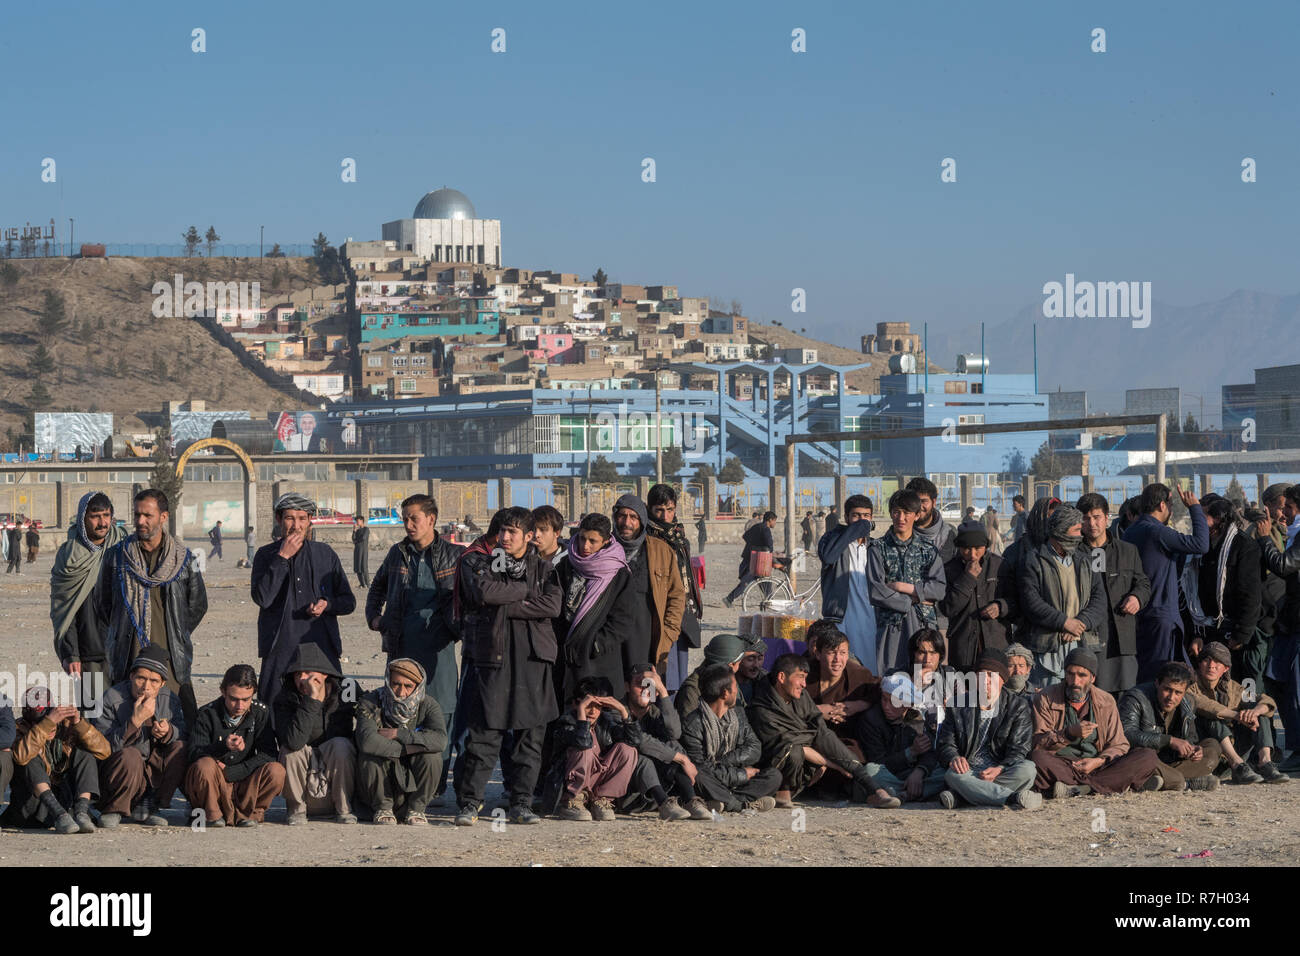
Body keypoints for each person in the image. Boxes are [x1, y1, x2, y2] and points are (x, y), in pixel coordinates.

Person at [453, 507, 562, 826]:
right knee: (485, 734)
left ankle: (522, 802)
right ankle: (470, 803)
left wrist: (509, 604)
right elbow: (485, 591)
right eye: (502, 531)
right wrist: (526, 594)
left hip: (533, 660)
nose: (504, 537)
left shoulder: (544, 569)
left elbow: (553, 605)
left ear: (529, 537)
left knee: (529, 736)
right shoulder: (483, 563)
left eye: (512, 532)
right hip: (494, 659)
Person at [366, 494, 462, 794]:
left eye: (414, 518)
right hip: (402, 645)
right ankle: (405, 783)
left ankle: (434, 787)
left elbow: (466, 597)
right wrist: (374, 617)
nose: (408, 524)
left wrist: (458, 627)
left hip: (439, 648)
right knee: (400, 710)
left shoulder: (453, 555)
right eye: (404, 519)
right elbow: (377, 586)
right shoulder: (397, 554)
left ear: (431, 520)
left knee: (441, 711)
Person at [99, 489, 207, 728]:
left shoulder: (185, 560)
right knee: (127, 723)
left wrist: (176, 631)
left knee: (178, 726)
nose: (140, 521)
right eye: (137, 515)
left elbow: (198, 605)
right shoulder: (116, 558)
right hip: (129, 655)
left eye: (147, 515)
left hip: (171, 658)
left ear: (164, 517)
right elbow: (103, 604)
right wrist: (122, 630)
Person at [746, 654, 900, 808]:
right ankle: (782, 793)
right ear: (781, 677)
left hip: (805, 752)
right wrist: (834, 764)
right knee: (793, 751)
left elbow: (820, 730)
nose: (804, 684)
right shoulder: (761, 709)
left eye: (806, 678)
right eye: (800, 677)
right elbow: (790, 742)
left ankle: (875, 790)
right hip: (774, 767)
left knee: (830, 740)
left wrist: (848, 763)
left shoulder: (800, 697)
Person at [251, 493, 356, 716]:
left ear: (310, 520)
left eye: (301, 518)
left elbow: (349, 602)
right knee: (271, 714)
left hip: (321, 648)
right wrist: (282, 557)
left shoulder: (325, 555)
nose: (296, 526)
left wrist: (327, 604)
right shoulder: (265, 555)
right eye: (289, 518)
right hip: (279, 648)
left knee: (328, 712)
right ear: (279, 520)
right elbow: (263, 598)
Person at [1028, 648, 1161, 798]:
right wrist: (1068, 733)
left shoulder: (1106, 701)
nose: (1075, 681)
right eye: (1071, 674)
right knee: (1038, 758)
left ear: (1092, 678)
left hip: (1099, 765)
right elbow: (1038, 743)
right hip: (1063, 764)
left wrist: (1098, 761)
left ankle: (1080, 788)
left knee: (1147, 756)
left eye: (1082, 675)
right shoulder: (1045, 697)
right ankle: (1104, 786)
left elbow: (1119, 744)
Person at [1122, 483, 1209, 682]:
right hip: (1160, 615)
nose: (1171, 509)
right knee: (1161, 678)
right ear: (1162, 505)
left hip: (1142, 614)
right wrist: (1194, 507)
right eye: (1171, 504)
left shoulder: (1131, 531)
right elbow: (1201, 544)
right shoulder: (1157, 532)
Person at [93, 647, 188, 828]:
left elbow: (184, 733)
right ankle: (115, 808)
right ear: (131, 677)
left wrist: (169, 732)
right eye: (141, 678)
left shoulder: (170, 699)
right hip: (118, 773)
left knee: (180, 748)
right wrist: (134, 723)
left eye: (154, 681)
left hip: (151, 773)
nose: (146, 687)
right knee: (131, 755)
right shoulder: (110, 699)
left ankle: (151, 806)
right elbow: (99, 747)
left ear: (162, 684)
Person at [936, 649, 1042, 810]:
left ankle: (964, 796)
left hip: (1000, 770)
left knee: (1028, 770)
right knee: (952, 775)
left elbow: (1020, 749)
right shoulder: (957, 704)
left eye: (992, 675)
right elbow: (945, 743)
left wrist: (1000, 769)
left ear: (1002, 679)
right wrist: (954, 758)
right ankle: (1011, 798)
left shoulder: (1017, 706)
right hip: (968, 771)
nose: (985, 680)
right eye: (981, 674)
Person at [184, 664, 286, 828]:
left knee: (276, 770)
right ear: (223, 691)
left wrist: (233, 772)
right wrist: (222, 746)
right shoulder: (207, 714)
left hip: (245, 781)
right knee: (204, 765)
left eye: (246, 699)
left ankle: (250, 814)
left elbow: (269, 753)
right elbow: (194, 753)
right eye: (233, 699)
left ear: (253, 694)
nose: (240, 706)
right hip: (215, 782)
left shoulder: (260, 713)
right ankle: (212, 814)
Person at [1018, 505, 1108, 687]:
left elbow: (1099, 599)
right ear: (1061, 531)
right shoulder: (1034, 560)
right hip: (1048, 649)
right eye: (1076, 530)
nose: (1080, 535)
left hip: (1080, 644)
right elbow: (1031, 602)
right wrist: (1064, 623)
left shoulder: (1085, 560)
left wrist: (1079, 624)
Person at [50, 491, 124, 709]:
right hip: (89, 653)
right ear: (83, 518)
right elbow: (64, 610)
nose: (102, 522)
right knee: (94, 717)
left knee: (127, 715)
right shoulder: (69, 556)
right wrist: (70, 653)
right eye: (95, 516)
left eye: (106, 515)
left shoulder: (122, 546)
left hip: (123, 648)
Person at [2, 686, 109, 834]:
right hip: (34, 807)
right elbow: (20, 757)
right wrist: (47, 723)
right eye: (41, 722)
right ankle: (60, 815)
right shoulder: (18, 728)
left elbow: (104, 751)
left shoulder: (66, 724)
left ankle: (82, 813)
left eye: (52, 720)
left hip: (64, 798)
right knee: (29, 758)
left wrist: (80, 724)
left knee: (85, 755)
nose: (51, 727)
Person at [273, 643, 359, 824]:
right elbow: (294, 741)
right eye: (297, 674)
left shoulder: (346, 689)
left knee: (341, 745)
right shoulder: (285, 698)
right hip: (303, 778)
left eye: (308, 672)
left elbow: (367, 717)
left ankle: (344, 809)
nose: (302, 679)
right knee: (290, 751)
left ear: (325, 673)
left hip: (337, 776)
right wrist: (310, 701)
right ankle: (296, 811)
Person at [679, 663, 782, 813]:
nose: (737, 691)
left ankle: (723, 801)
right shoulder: (693, 725)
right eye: (735, 687)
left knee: (774, 776)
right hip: (713, 780)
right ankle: (741, 805)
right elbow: (702, 768)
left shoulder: (738, 714)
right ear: (725, 693)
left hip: (730, 777)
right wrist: (740, 775)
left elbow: (754, 748)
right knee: (699, 776)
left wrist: (725, 763)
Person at [355, 658, 447, 825]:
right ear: (388, 681)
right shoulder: (371, 701)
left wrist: (400, 734)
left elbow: (440, 741)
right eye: (396, 684)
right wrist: (411, 748)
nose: (401, 691)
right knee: (370, 756)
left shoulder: (428, 705)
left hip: (411, 778)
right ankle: (382, 808)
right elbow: (368, 741)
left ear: (418, 687)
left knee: (433, 757)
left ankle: (416, 809)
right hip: (379, 784)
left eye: (408, 686)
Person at [1076, 492, 1150, 694]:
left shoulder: (1127, 550)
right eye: (1086, 518)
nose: (1092, 523)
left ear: (1107, 517)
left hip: (1122, 635)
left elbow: (1143, 583)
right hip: (1088, 635)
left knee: (1126, 694)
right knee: (1091, 694)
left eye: (1097, 517)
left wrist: (1136, 597)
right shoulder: (1074, 554)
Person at [555, 513, 632, 705]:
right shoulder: (566, 565)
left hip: (599, 662)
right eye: (582, 538)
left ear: (606, 541)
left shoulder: (618, 573)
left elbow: (623, 620)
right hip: (567, 658)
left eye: (592, 541)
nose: (585, 546)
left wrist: (595, 645)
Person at [1181, 497, 1262, 678]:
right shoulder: (1199, 547)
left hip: (1231, 633)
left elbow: (1250, 595)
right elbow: (1192, 593)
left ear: (1217, 518)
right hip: (1204, 631)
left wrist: (1240, 635)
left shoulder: (1244, 546)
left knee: (1237, 688)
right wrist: (1196, 634)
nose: (1197, 522)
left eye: (1201, 516)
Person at [868, 489, 946, 675]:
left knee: (924, 677)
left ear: (917, 515)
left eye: (907, 513)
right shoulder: (878, 549)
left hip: (923, 624)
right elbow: (875, 590)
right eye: (896, 512)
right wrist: (911, 600)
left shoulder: (927, 550)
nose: (901, 518)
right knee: (891, 679)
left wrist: (904, 588)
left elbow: (939, 588)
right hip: (891, 624)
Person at [1188, 642, 1287, 784]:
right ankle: (1237, 765)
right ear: (1199, 663)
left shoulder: (1232, 687)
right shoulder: (1191, 683)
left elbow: (1265, 699)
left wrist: (1254, 712)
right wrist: (1237, 716)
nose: (1211, 666)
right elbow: (1204, 704)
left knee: (1258, 712)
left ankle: (1265, 763)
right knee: (1212, 717)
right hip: (1208, 754)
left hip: (1236, 748)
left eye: (1217, 662)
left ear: (1225, 668)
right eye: (1206, 660)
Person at [621, 663, 710, 819]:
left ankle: (691, 800)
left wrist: (662, 691)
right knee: (640, 755)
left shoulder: (654, 712)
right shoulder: (618, 711)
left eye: (649, 685)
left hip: (659, 789)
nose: (645, 690)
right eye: (639, 685)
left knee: (673, 744)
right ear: (627, 687)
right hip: (629, 794)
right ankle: (665, 804)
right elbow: (639, 741)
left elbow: (674, 732)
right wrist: (682, 759)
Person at [546, 678, 641, 821]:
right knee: (584, 749)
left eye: (597, 706)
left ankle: (602, 800)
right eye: (588, 705)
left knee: (628, 749)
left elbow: (634, 741)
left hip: (596, 779)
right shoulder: (566, 722)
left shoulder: (605, 722)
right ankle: (573, 802)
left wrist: (623, 710)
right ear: (575, 704)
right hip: (568, 785)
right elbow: (582, 742)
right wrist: (581, 716)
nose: (592, 711)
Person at [1119, 662, 1222, 792]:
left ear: (1184, 692)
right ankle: (1185, 783)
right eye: (1167, 689)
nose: (1171, 698)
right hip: (1146, 759)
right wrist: (1170, 741)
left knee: (1212, 747)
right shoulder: (1136, 698)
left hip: (1171, 762)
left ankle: (1162, 779)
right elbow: (1127, 734)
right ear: (1157, 683)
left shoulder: (1189, 702)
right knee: (1146, 756)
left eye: (1178, 692)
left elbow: (1191, 737)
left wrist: (1194, 750)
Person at [612, 494, 684, 676]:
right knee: (614, 696)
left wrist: (667, 635)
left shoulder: (661, 551)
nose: (626, 522)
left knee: (647, 695)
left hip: (649, 643)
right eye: (622, 515)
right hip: (612, 642)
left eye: (633, 517)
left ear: (642, 520)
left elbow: (676, 596)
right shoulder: (605, 549)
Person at [1256, 487, 1300, 771]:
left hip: (1295, 623)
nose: (1284, 514)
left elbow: (1284, 565)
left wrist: (1264, 540)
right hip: (1289, 622)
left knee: (1295, 686)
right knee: (1279, 679)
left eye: (1290, 508)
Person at [647, 484, 703, 692]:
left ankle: (675, 715)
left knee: (678, 672)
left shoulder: (679, 538)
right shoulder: (647, 539)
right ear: (649, 509)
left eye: (670, 510)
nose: (665, 515)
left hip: (682, 609)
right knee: (658, 670)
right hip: (660, 610)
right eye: (659, 510)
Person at [861, 672, 946, 803]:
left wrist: (919, 771)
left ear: (908, 704)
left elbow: (930, 753)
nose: (886, 706)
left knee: (946, 772)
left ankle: (900, 794)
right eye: (884, 699)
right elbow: (878, 761)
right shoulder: (871, 719)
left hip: (911, 775)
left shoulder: (917, 719)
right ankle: (913, 793)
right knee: (870, 770)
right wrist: (910, 752)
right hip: (889, 773)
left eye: (894, 702)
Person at [804, 620, 878, 764]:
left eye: (843, 653)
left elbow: (881, 690)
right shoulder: (804, 672)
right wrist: (815, 711)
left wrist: (860, 704)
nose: (838, 660)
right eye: (831, 653)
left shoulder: (857, 673)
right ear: (818, 654)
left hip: (845, 740)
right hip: (808, 738)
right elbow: (782, 703)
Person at [817, 495, 876, 668]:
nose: (861, 520)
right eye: (856, 516)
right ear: (846, 518)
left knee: (868, 671)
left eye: (866, 516)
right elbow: (828, 556)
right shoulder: (831, 540)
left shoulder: (875, 547)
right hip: (840, 618)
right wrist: (854, 530)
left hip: (870, 620)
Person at [939, 525, 1008, 671]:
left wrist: (1000, 606)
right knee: (964, 690)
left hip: (995, 641)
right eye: (966, 549)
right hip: (963, 645)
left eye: (978, 548)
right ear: (958, 547)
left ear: (986, 546)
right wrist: (967, 578)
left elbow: (1015, 600)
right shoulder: (949, 569)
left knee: (994, 688)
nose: (973, 554)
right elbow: (948, 608)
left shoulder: (999, 565)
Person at [673, 632, 747, 720]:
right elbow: (689, 727)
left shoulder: (728, 679)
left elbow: (742, 716)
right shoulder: (691, 690)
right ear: (731, 665)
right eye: (739, 663)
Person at [724, 511, 781, 607]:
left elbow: (745, 536)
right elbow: (770, 547)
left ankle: (729, 599)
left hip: (749, 558)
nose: (775, 523)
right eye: (774, 521)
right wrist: (761, 549)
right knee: (753, 582)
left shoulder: (756, 526)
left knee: (752, 582)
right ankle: (729, 599)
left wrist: (753, 545)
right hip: (759, 560)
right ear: (770, 520)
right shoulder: (766, 530)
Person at [907, 477, 955, 564]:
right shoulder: (899, 534)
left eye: (924, 501)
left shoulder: (949, 535)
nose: (919, 507)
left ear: (934, 502)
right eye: (915, 501)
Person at [352, 515, 370, 588]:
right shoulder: (357, 530)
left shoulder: (366, 529)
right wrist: (354, 531)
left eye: (358, 520)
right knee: (357, 568)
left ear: (362, 521)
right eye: (356, 521)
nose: (357, 522)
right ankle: (362, 584)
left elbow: (363, 537)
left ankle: (368, 584)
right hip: (357, 550)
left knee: (364, 567)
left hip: (363, 551)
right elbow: (353, 539)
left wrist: (356, 541)